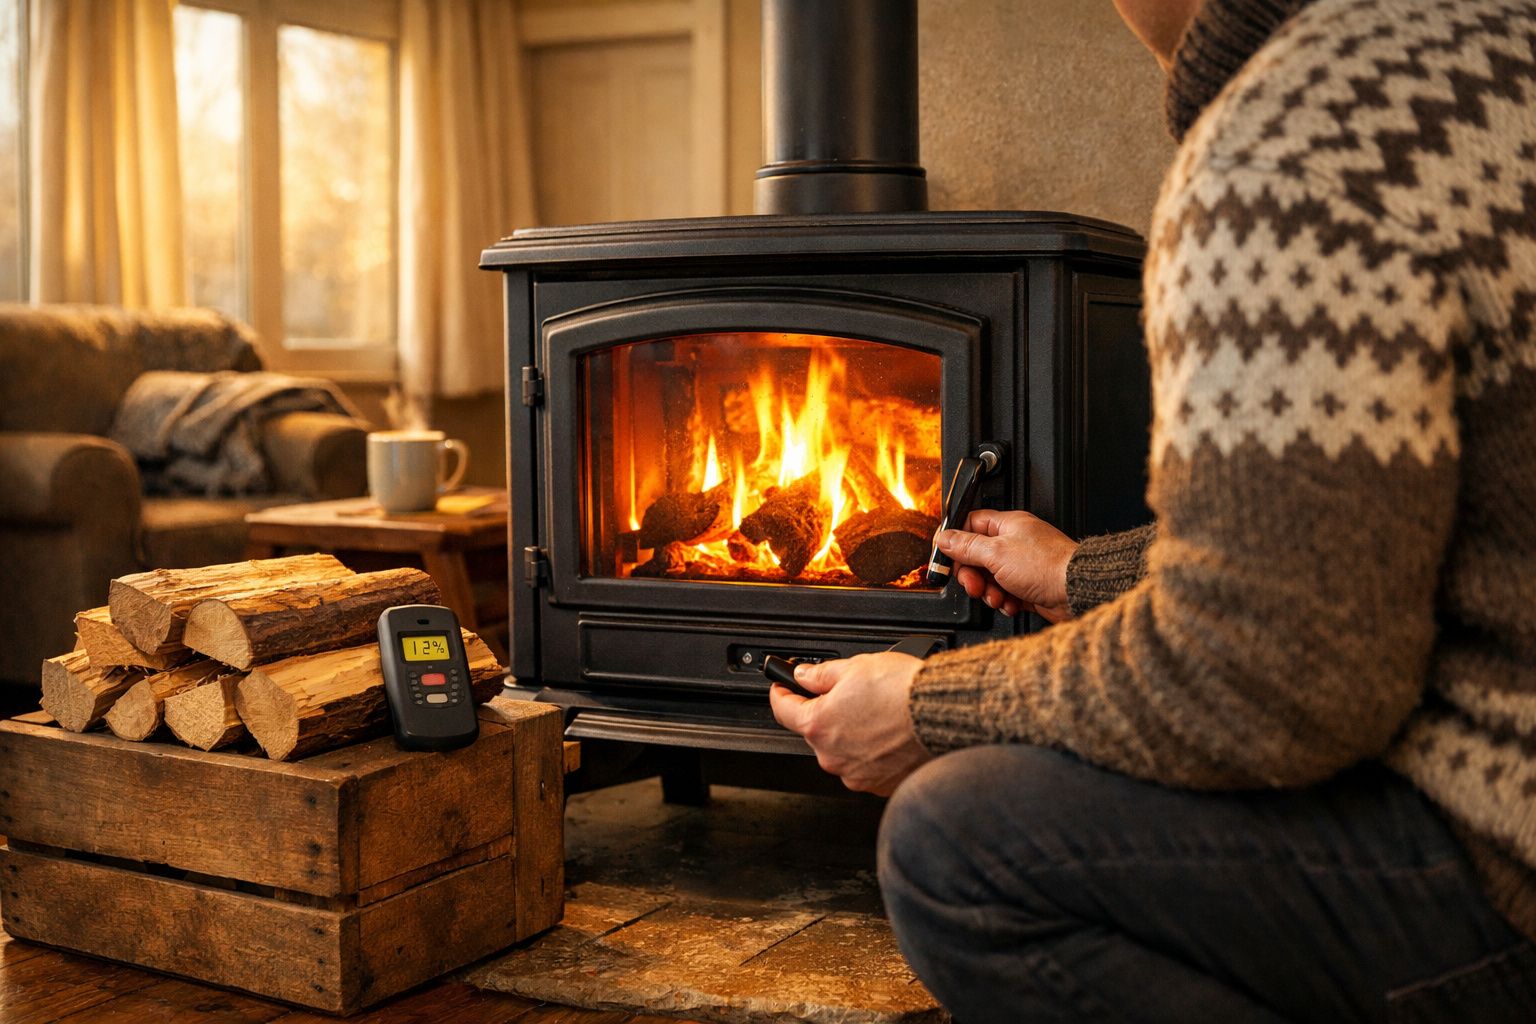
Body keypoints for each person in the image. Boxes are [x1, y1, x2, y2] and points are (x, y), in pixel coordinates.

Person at [767, 0, 1536, 1020]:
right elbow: (1377, 535)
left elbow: (1270, 681)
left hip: (1507, 855)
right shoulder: (1488, 46)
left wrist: (927, 707)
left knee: (956, 843)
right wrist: (1084, 575)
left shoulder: (1293, 138)